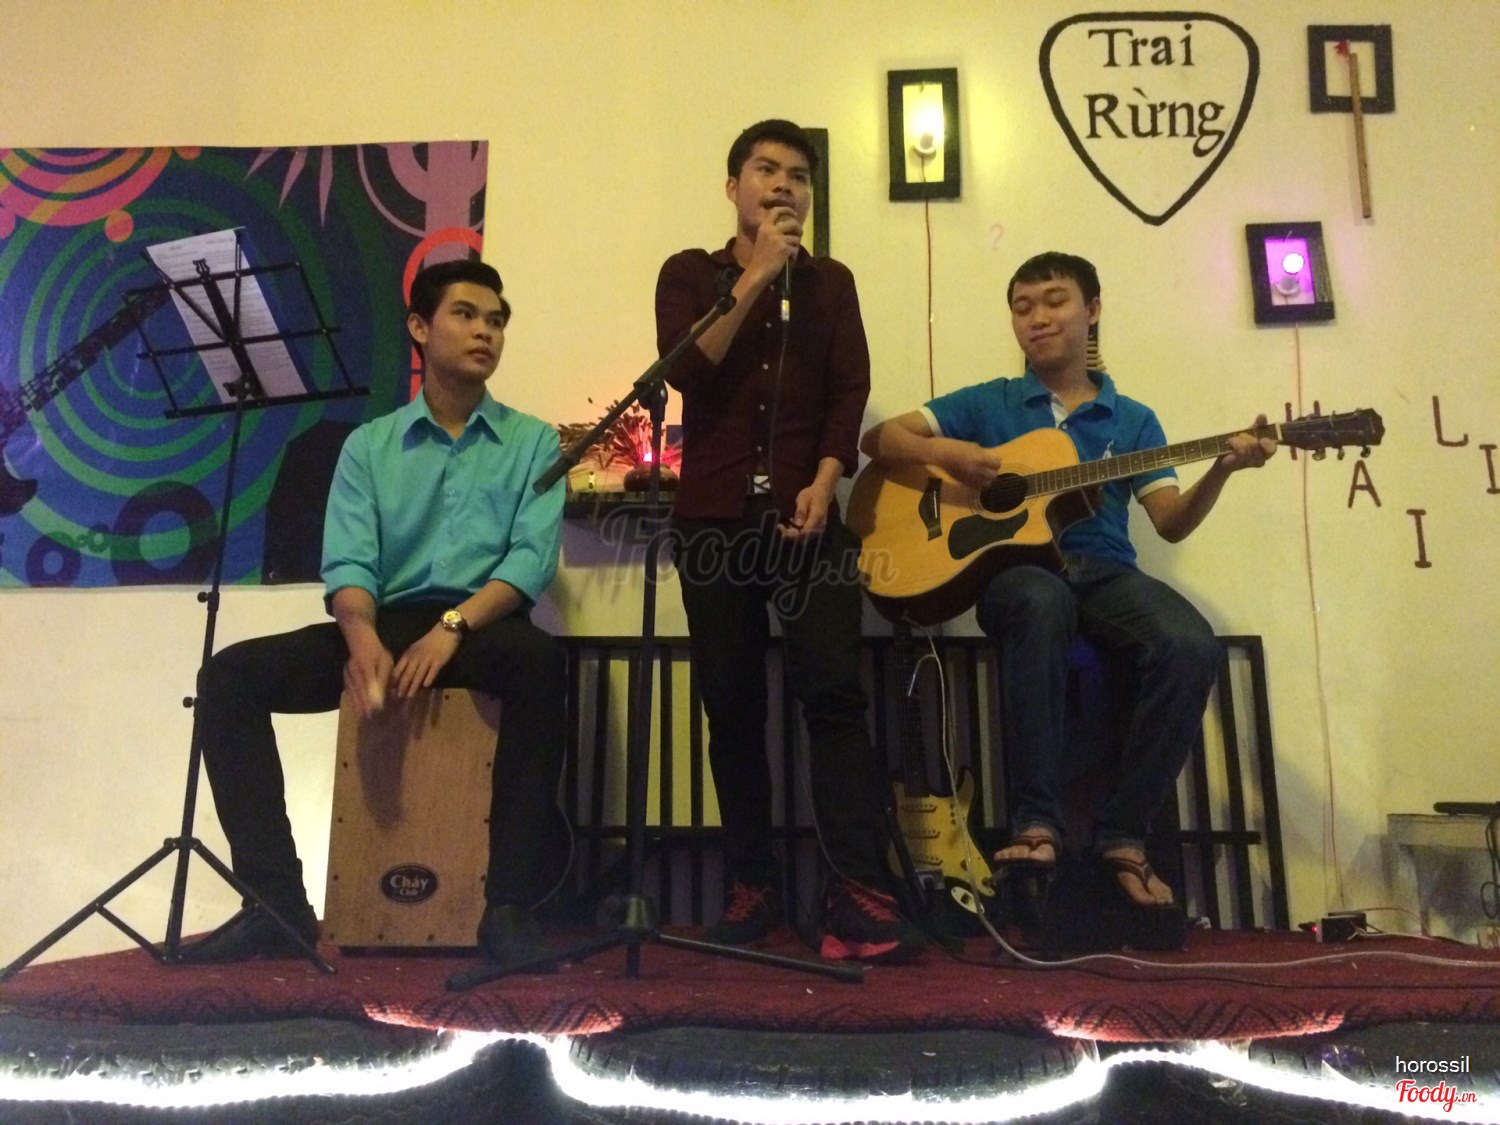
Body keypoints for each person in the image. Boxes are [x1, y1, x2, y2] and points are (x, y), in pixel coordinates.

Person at [858, 251, 1276, 908]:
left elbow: (1169, 522)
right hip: (1016, 574)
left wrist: (1223, 468)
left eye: (1055, 301)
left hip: (1105, 574)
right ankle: (1035, 825)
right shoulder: (990, 402)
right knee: (1040, 599)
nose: (1038, 318)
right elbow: (880, 439)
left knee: (1191, 643)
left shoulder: (1132, 421)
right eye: (1023, 307)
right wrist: (948, 453)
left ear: (1093, 309)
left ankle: (1124, 835)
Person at [181, 259, 568, 963]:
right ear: (419, 327)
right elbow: (351, 562)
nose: (485, 331)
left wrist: (453, 627)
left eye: (496, 320)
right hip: (383, 622)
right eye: (466, 314)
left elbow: (529, 562)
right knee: (228, 678)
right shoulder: (370, 445)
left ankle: (509, 907)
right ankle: (275, 903)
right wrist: (360, 637)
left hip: (479, 625)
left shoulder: (534, 441)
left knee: (542, 661)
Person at [655, 119, 921, 962]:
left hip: (810, 519)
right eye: (766, 170)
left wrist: (827, 476)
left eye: (798, 175)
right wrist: (758, 274)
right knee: (730, 705)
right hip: (713, 520)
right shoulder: (689, 274)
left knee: (834, 696)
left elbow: (849, 387)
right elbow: (686, 370)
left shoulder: (832, 284)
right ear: (732, 186)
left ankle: (857, 887)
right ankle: (753, 883)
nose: (783, 186)